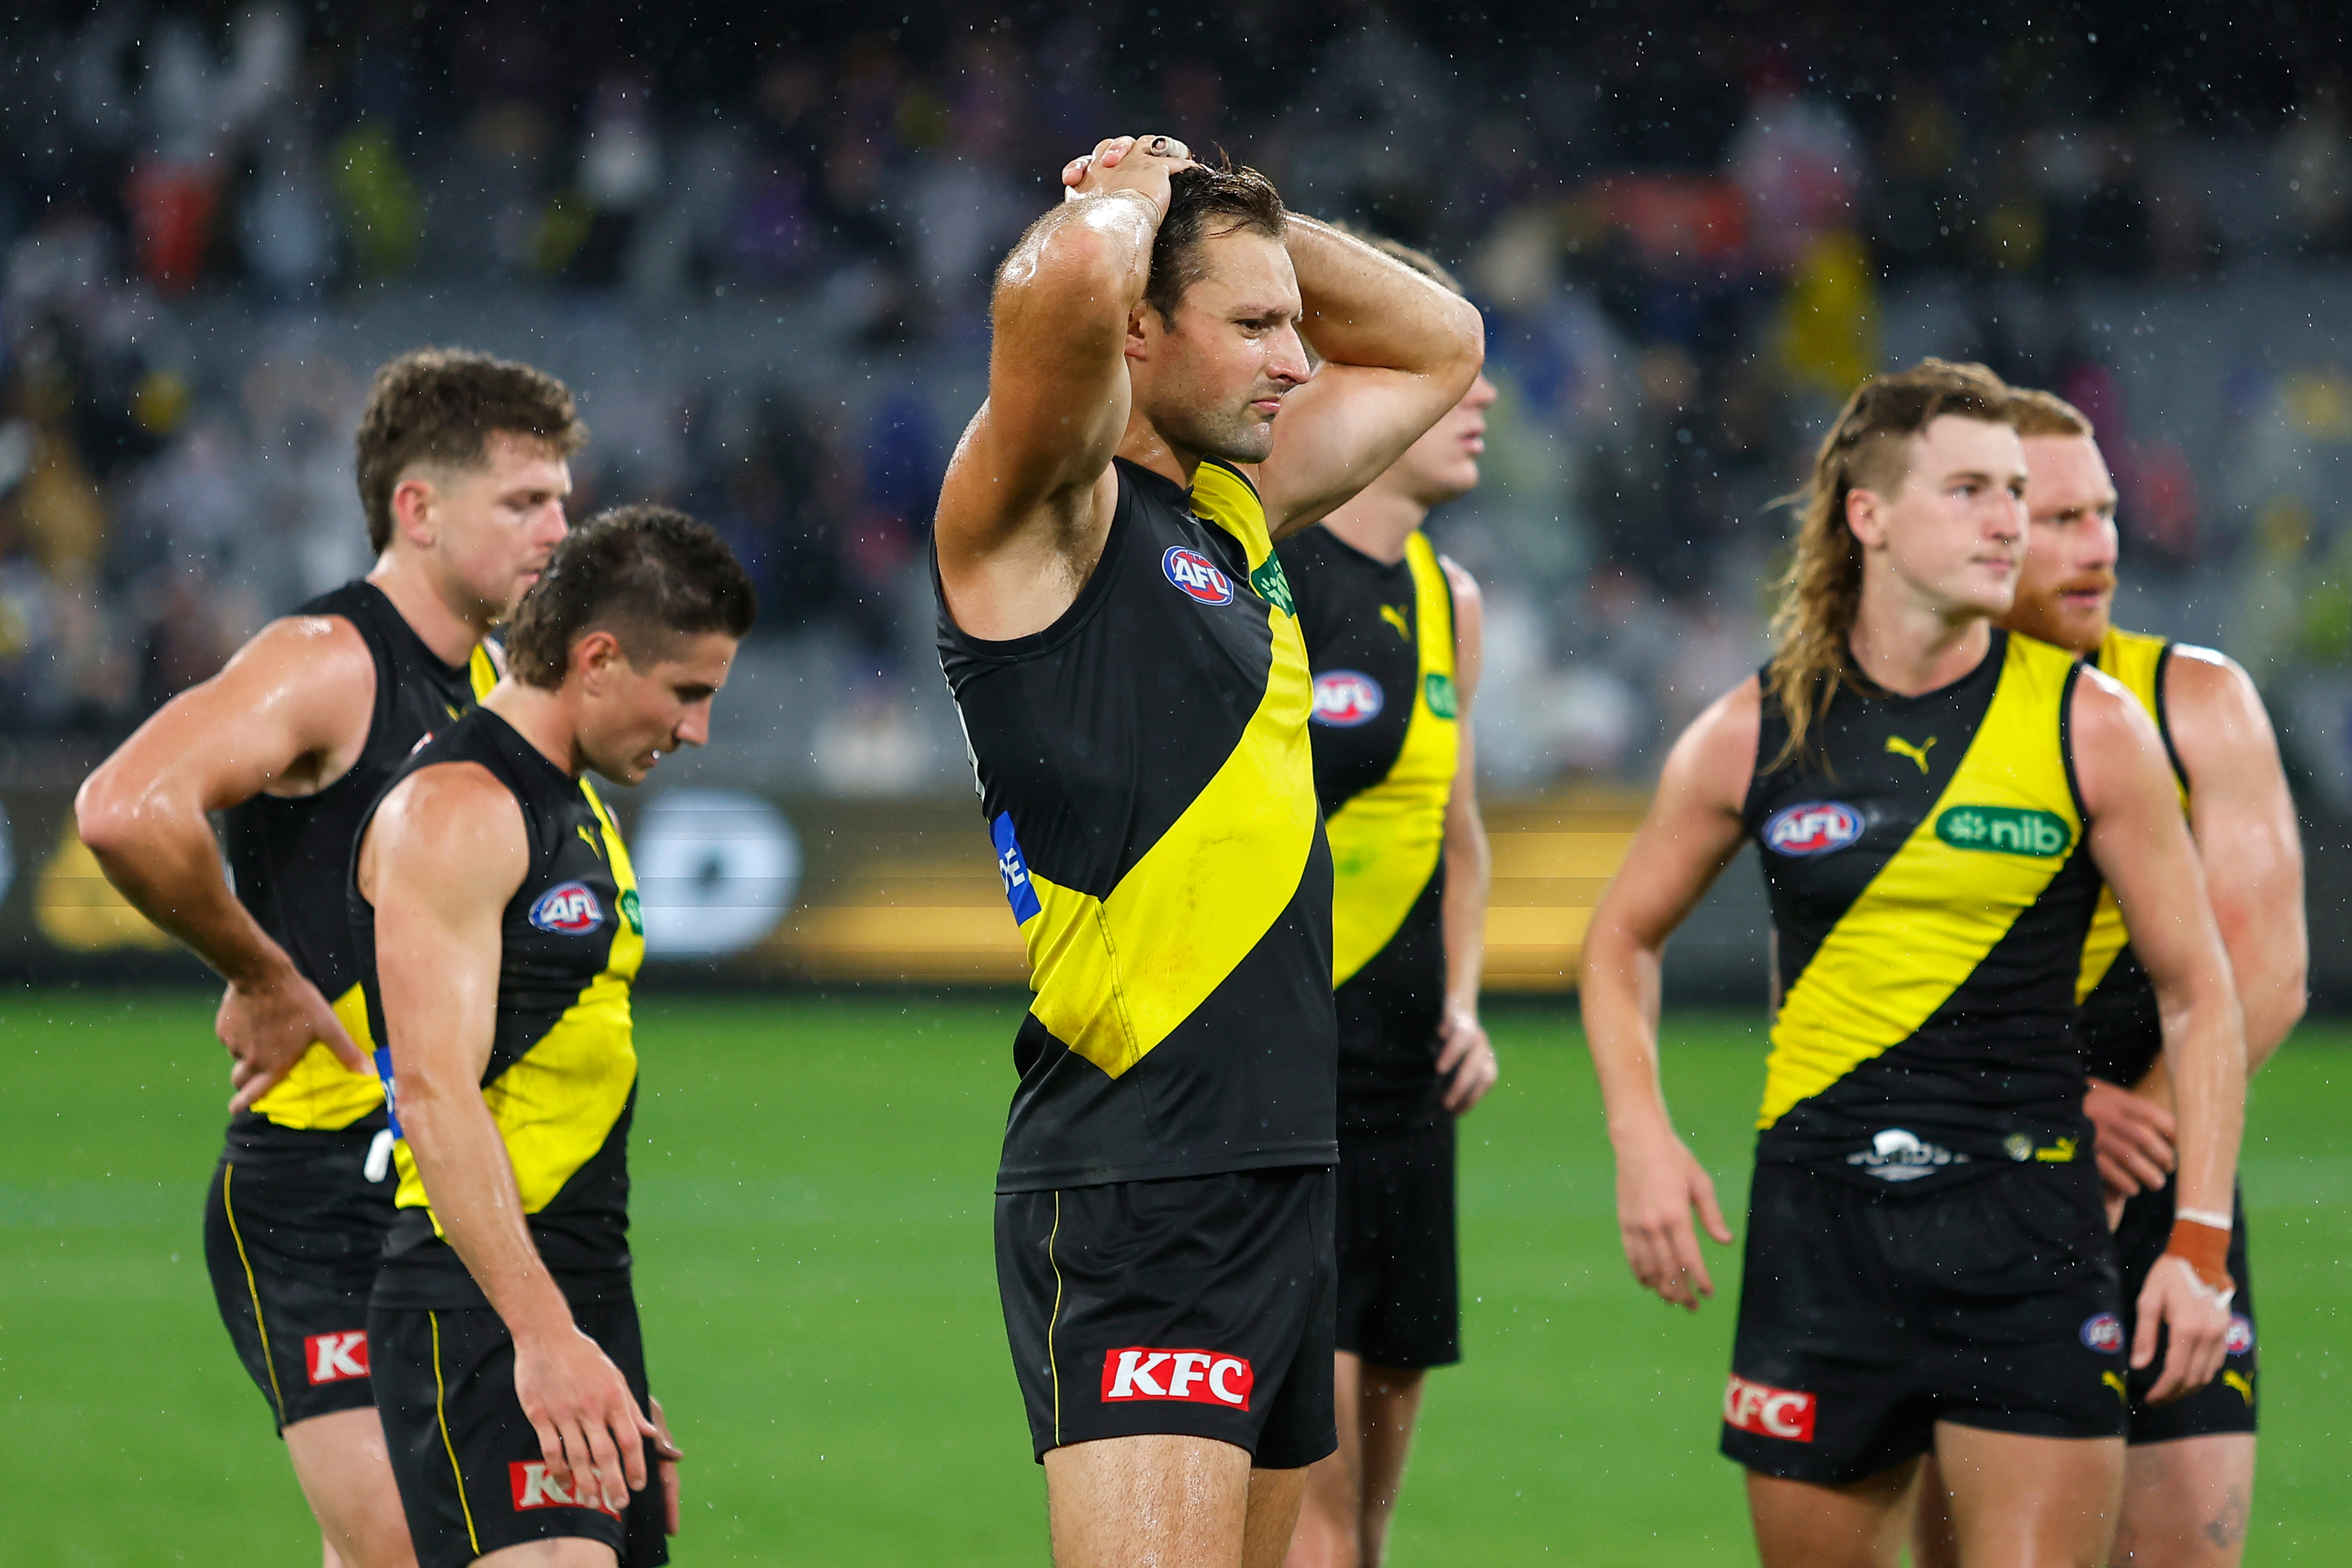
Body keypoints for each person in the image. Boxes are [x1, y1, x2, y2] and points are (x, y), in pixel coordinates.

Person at [1579, 359, 2247, 1568]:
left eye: (2013, 492)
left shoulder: (2091, 724)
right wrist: (1642, 1136)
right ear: (1868, 516)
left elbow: (2204, 994)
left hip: (2027, 1240)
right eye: (1967, 491)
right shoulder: (1757, 725)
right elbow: (1619, 936)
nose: (2007, 521)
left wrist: (2197, 1245)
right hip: (1817, 1237)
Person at [931, 134, 1483, 1568]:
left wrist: (1251, 225)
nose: (1298, 358)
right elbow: (1042, 307)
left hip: (1283, 1170)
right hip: (1137, 1174)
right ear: (1135, 327)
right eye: (1254, 324)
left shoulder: (1233, 515)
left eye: (1295, 320)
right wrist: (1121, 199)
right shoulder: (1043, 514)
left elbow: (1442, 341)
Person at [75, 349, 584, 1568]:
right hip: (316, 1199)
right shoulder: (332, 660)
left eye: (564, 500)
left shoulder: (495, 690)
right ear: (416, 509)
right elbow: (125, 805)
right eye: (525, 502)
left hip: (444, 1195)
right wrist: (261, 974)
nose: (560, 532)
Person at [1911, 389, 2305, 1568]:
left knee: (2184, 1548)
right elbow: (1845, 983)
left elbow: (2267, 976)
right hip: (1967, 1184)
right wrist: (2040, 1103)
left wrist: (2141, 1144)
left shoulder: (2196, 702)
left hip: (2164, 1191)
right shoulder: (1903, 719)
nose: (2099, 548)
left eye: (2106, 514)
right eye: (2059, 518)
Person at [351, 505, 752, 1568]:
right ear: (600, 658)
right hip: (478, 1308)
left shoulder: (572, 805)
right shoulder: (457, 811)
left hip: (569, 1306)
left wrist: (602, 1350)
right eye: (688, 693)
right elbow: (436, 1092)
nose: (697, 730)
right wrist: (541, 1335)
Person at [1271, 236, 1498, 1568]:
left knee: (1365, 1525)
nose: (1478, 400)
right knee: (1313, 1510)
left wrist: (1463, 1001)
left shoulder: (1448, 599)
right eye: (1451, 377)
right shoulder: (1272, 571)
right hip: (1294, 1083)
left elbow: (1456, 831)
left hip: (1409, 1091)